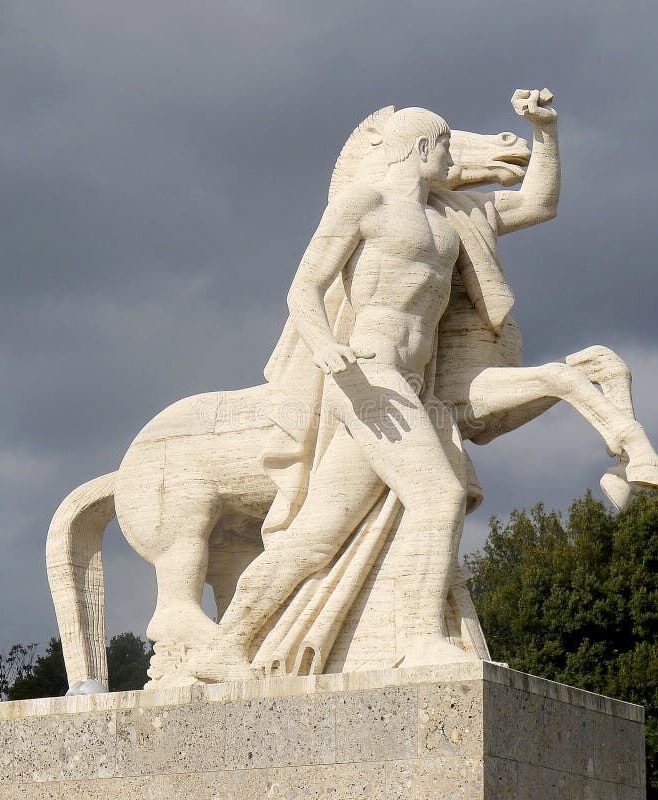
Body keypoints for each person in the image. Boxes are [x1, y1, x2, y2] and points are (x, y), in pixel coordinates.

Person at [193, 92, 560, 680]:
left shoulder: (453, 217)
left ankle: (224, 648)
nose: (450, 159)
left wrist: (546, 131)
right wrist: (323, 345)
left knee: (317, 537)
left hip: (411, 388)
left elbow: (540, 203)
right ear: (423, 148)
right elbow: (304, 289)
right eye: (445, 146)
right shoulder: (364, 205)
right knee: (439, 497)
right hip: (369, 374)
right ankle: (419, 641)